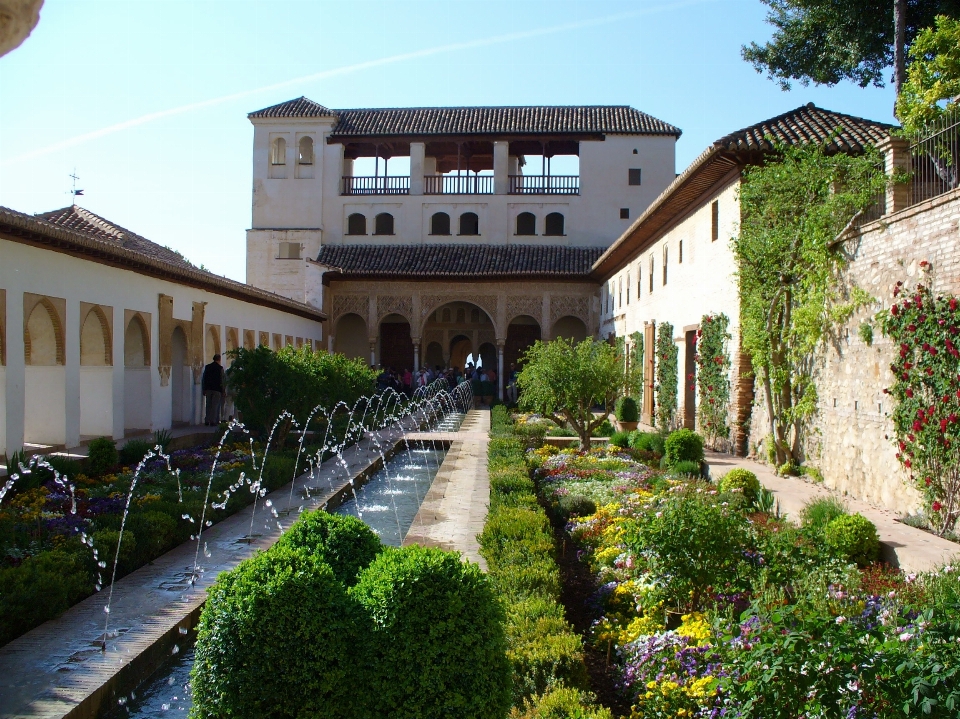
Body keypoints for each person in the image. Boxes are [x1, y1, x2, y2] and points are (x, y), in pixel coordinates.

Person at [201, 354, 225, 426]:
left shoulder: (207, 367)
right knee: (215, 405)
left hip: (208, 388)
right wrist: (223, 390)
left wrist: (204, 389)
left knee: (208, 405)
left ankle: (207, 420)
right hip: (217, 389)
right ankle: (213, 421)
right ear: (219, 359)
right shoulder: (220, 368)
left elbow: (204, 378)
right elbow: (222, 380)